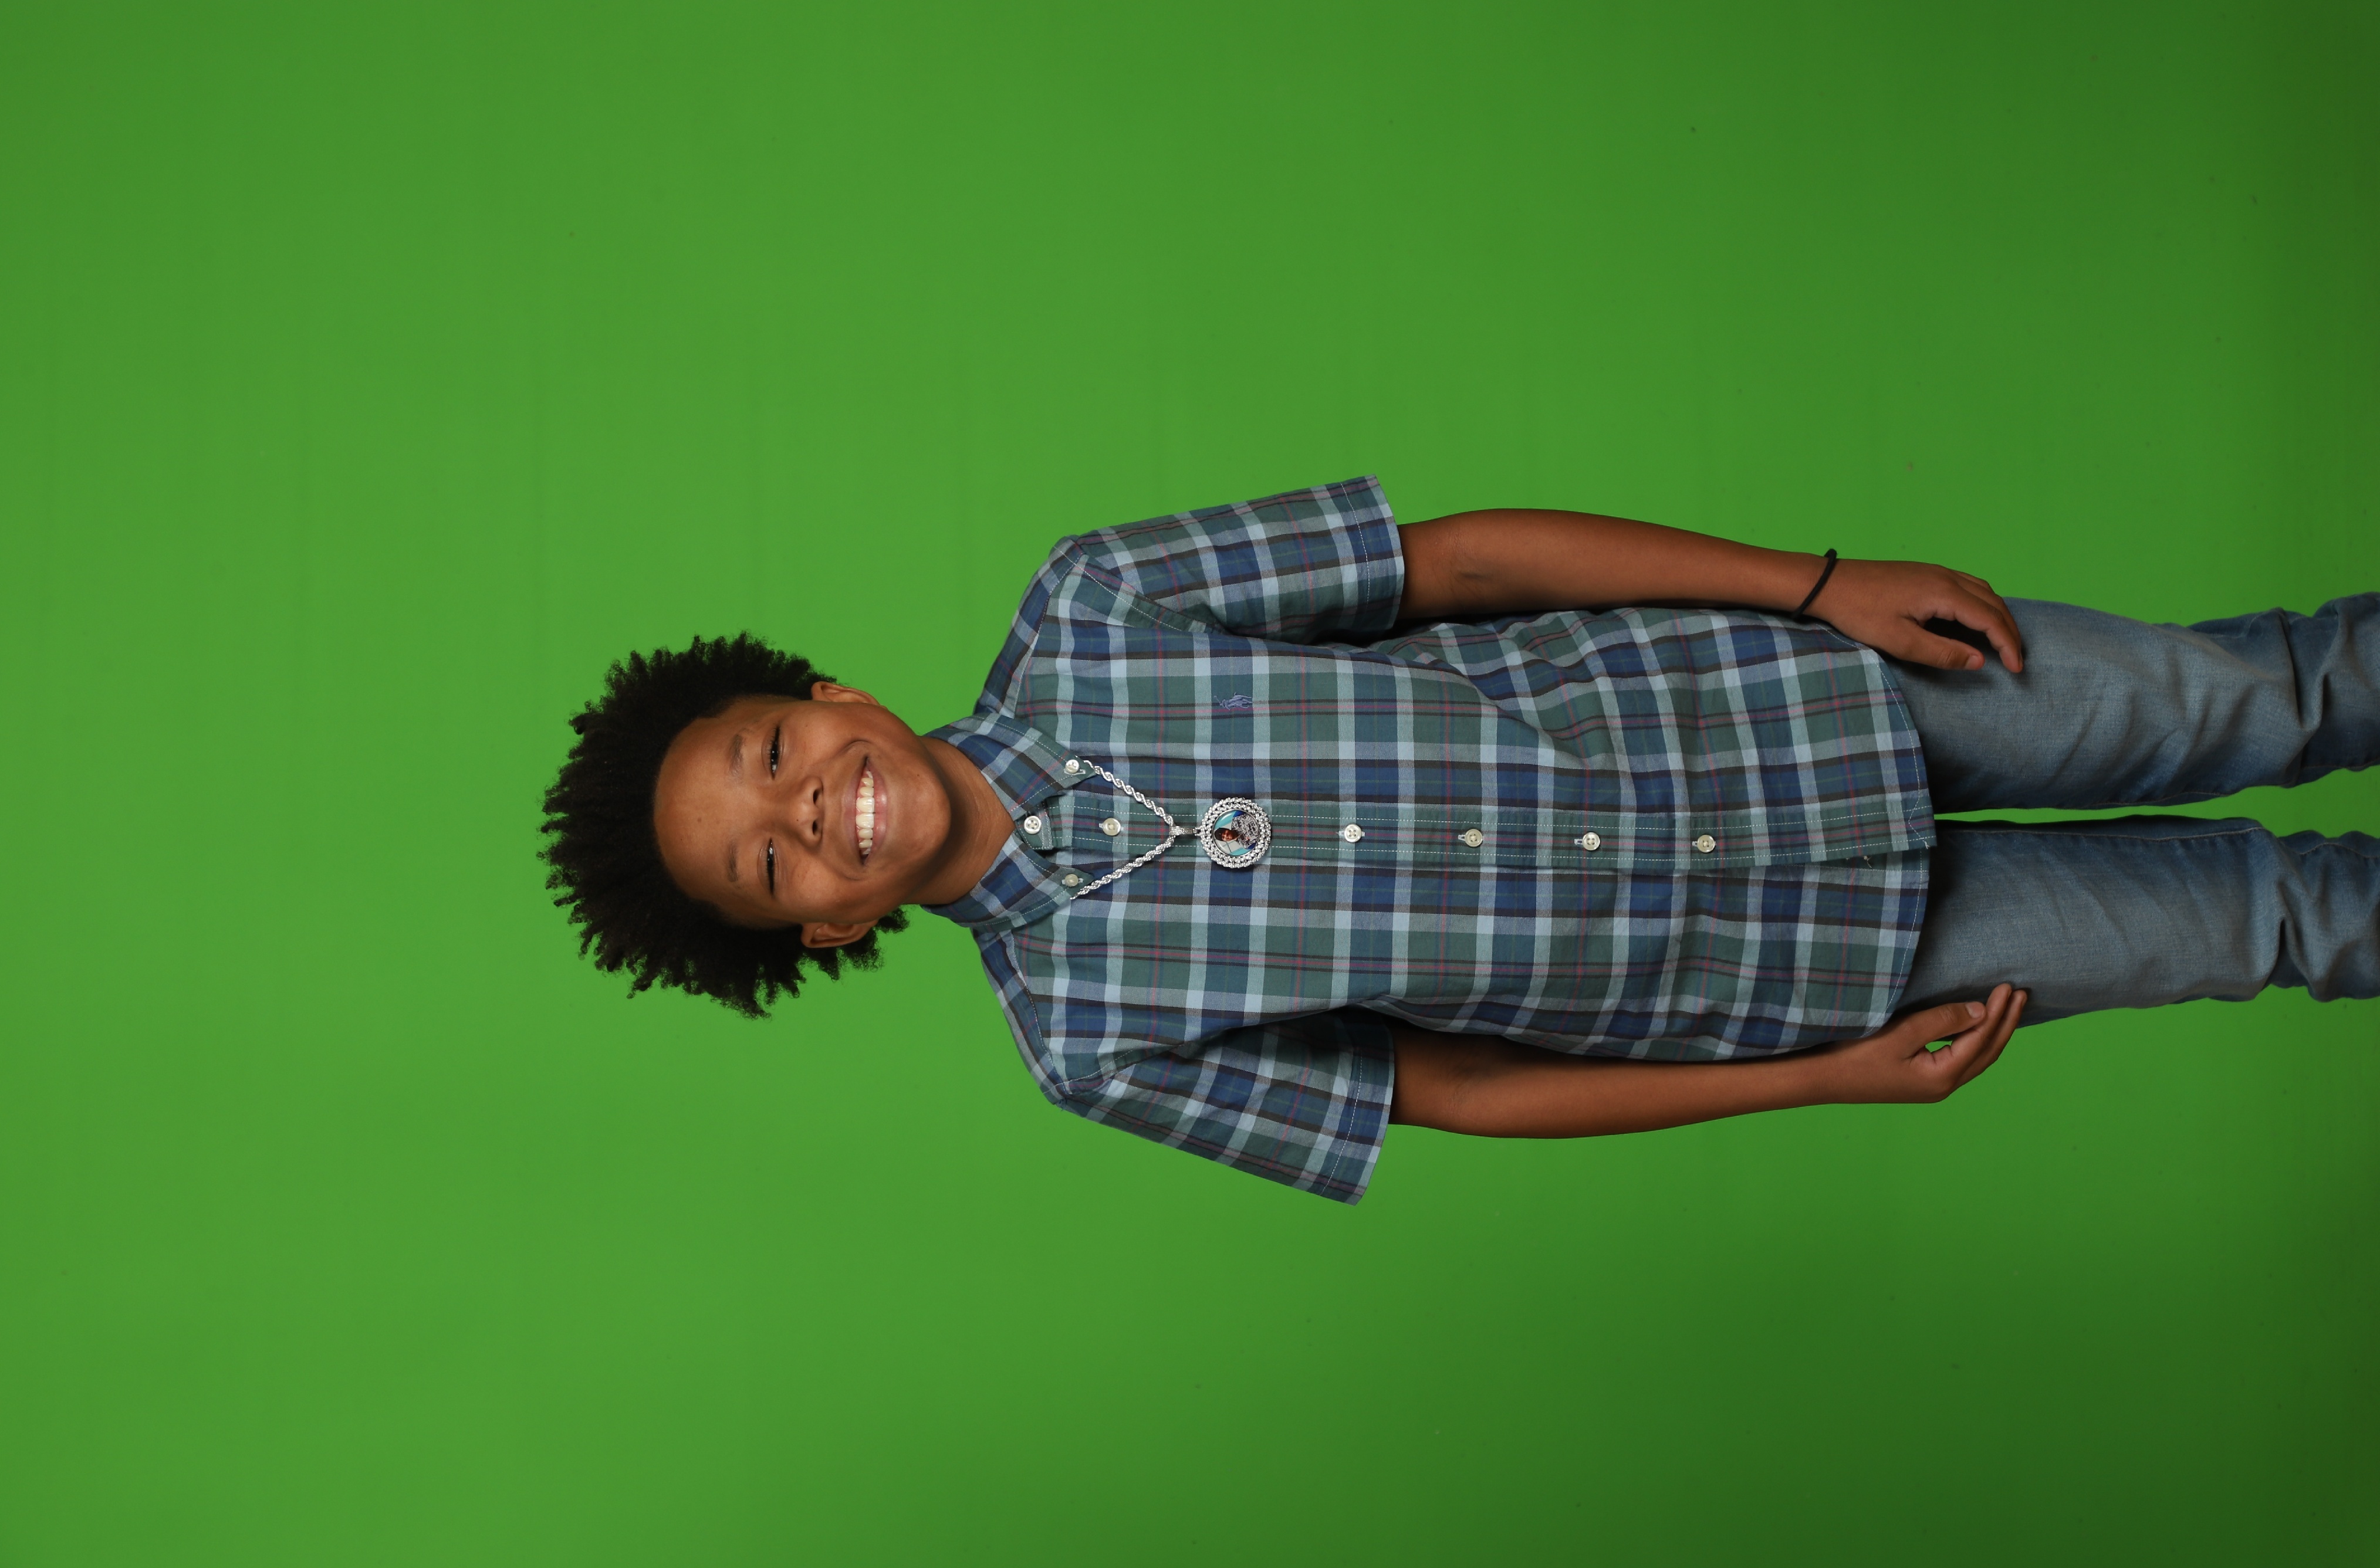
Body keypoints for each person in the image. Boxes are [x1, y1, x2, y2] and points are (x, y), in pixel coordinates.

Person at [539, 478, 2379, 1203]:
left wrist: (1819, 583)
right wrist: (1816, 1082)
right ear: (823, 933)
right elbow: (1460, 1093)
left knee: (2262, 697)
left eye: (773, 756)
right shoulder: (1090, 1045)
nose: (809, 809)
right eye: (771, 862)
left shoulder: (1096, 601)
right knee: (2275, 923)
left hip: (1809, 697)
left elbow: (1465, 566)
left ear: (835, 696)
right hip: (1814, 974)